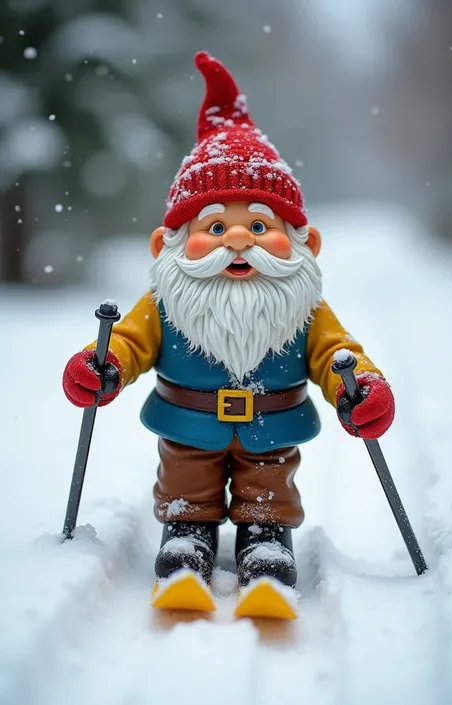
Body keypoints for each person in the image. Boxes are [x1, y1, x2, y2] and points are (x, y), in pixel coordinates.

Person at [62, 51, 395, 615]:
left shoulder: (303, 306)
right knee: (185, 482)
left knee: (269, 481)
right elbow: (130, 341)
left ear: (304, 245)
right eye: (214, 226)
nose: (237, 240)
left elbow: (337, 352)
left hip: (273, 424)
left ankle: (265, 545)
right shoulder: (166, 302)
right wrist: (104, 364)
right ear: (167, 245)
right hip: (188, 423)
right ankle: (185, 542)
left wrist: (358, 385)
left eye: (260, 226)